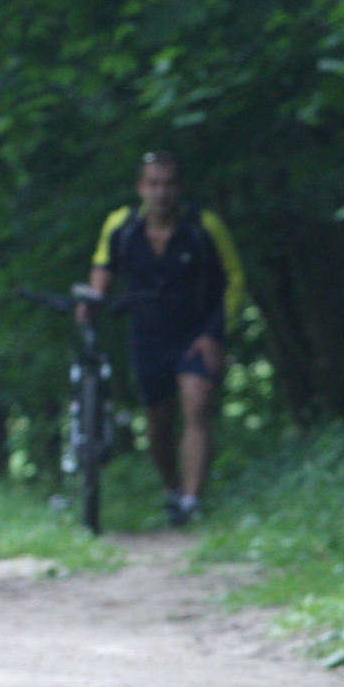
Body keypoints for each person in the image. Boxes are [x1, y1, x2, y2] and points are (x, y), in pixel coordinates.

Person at [85, 151, 245, 526]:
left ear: (181, 188)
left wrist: (215, 334)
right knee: (158, 423)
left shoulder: (204, 227)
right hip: (148, 335)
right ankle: (173, 488)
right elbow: (103, 266)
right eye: (154, 184)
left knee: (197, 407)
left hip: (196, 333)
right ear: (141, 188)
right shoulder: (122, 226)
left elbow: (234, 278)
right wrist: (92, 303)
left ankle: (191, 499)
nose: (162, 193)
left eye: (169, 184)